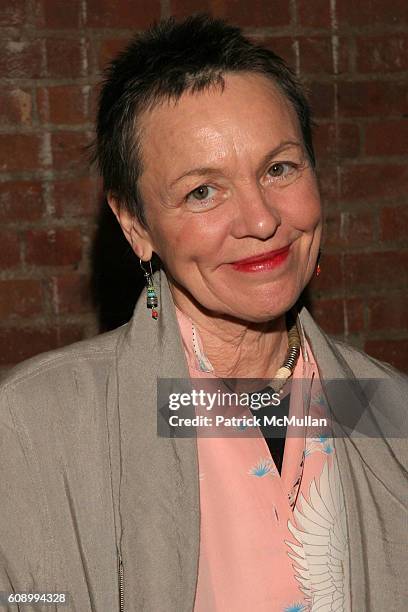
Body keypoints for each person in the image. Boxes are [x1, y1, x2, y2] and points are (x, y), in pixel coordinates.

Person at [0, 14, 407, 612]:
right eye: (202, 191)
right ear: (136, 225)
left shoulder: (384, 408)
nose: (262, 221)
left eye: (280, 168)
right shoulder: (33, 426)